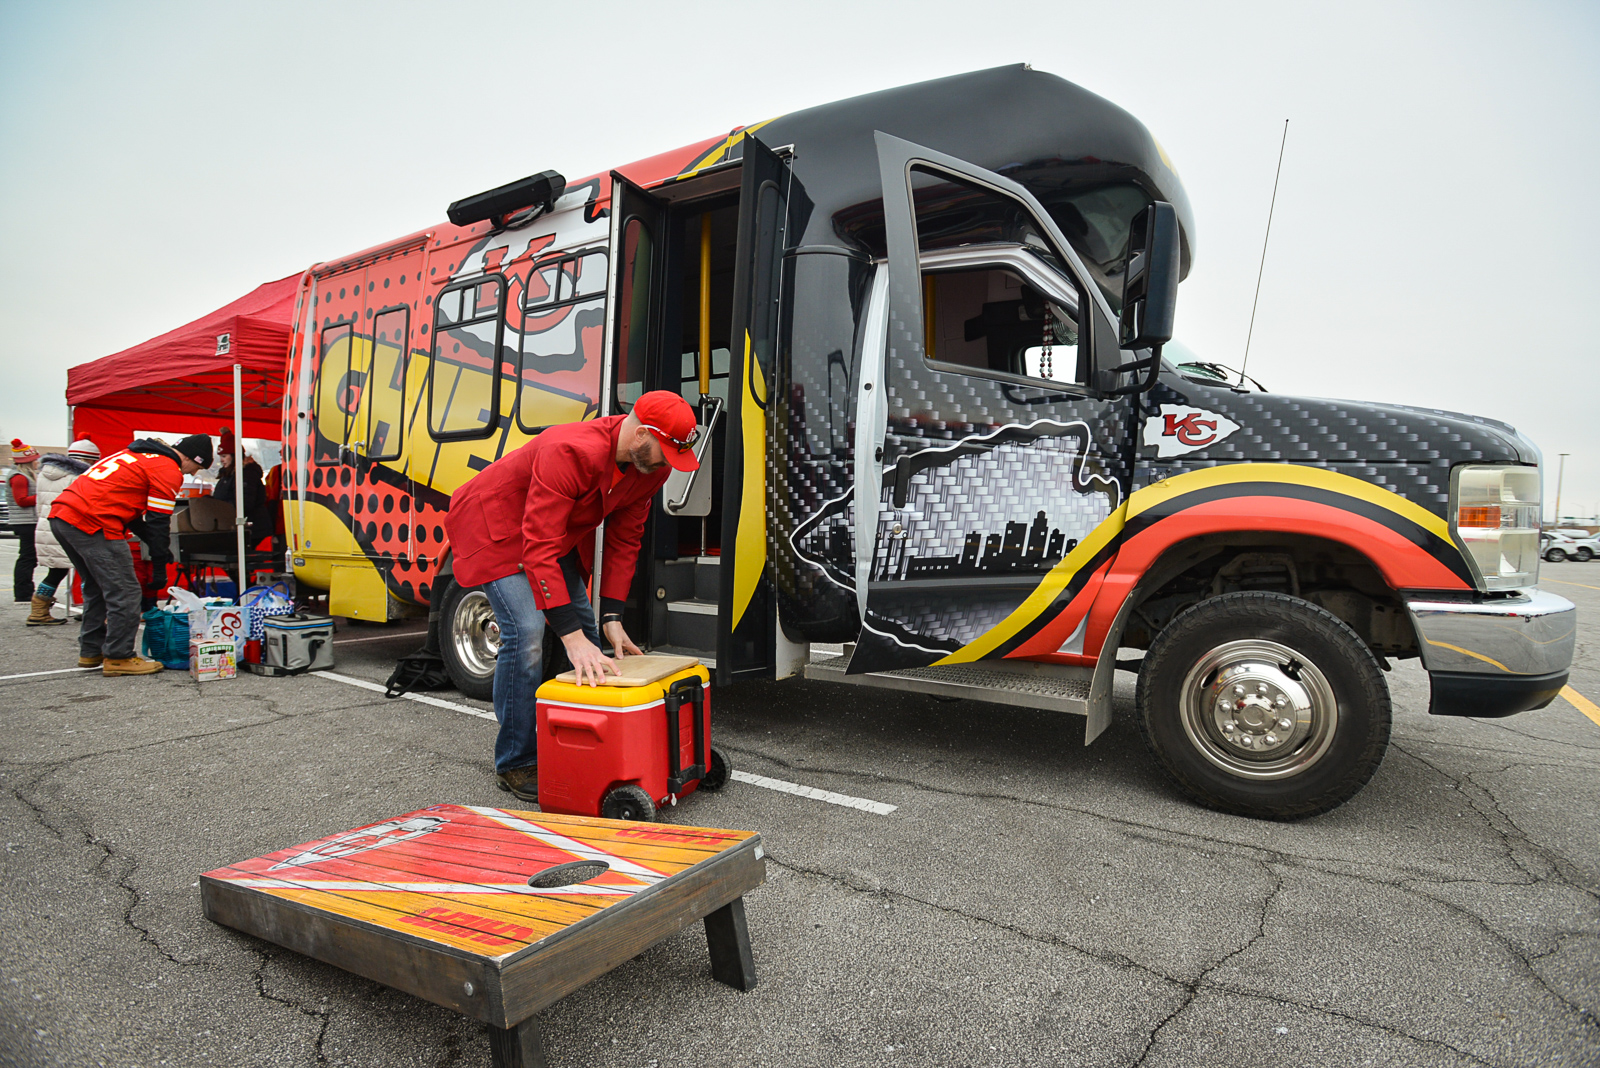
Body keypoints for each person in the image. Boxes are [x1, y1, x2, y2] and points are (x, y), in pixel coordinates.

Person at [443, 391, 701, 800]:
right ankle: (515, 760)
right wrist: (569, 636)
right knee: (527, 632)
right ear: (640, 435)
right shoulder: (568, 450)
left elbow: (624, 540)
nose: (667, 463)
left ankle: (582, 745)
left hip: (549, 535)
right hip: (496, 528)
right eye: (664, 451)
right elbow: (538, 547)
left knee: (589, 638)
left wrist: (611, 617)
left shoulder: (652, 469)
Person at [48, 434, 212, 676]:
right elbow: (158, 521)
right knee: (126, 590)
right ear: (188, 457)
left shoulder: (135, 455)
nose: (192, 474)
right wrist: (158, 566)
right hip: (94, 522)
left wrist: (155, 547)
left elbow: (132, 511)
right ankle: (119, 656)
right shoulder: (168, 469)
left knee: (97, 587)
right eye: (196, 467)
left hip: (64, 516)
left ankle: (91, 651)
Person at [25, 439, 101, 626]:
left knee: (56, 571)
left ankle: (38, 610)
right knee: (89, 572)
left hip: (47, 527)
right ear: (89, 460)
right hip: (71, 528)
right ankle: (91, 610)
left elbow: (39, 503)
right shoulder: (81, 477)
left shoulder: (44, 474)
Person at [4, 439, 43, 603]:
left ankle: (25, 590)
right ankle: (23, 592)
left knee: (29, 557)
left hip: (27, 521)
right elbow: (21, 500)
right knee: (27, 558)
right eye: (34, 460)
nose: (37, 463)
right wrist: (42, 496)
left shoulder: (24, 476)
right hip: (26, 522)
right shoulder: (19, 477)